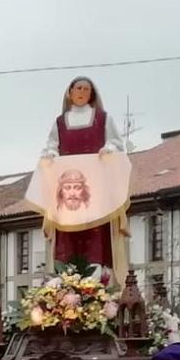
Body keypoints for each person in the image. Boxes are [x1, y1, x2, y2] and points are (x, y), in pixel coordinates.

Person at [38, 76, 127, 270]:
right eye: (78, 88)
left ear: (92, 94)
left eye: (86, 89)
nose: (82, 92)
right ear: (70, 93)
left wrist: (109, 148)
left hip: (94, 188)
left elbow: (117, 143)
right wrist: (51, 155)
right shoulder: (60, 122)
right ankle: (66, 276)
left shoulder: (103, 119)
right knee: (68, 234)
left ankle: (96, 277)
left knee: (95, 232)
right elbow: (52, 146)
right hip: (68, 189)